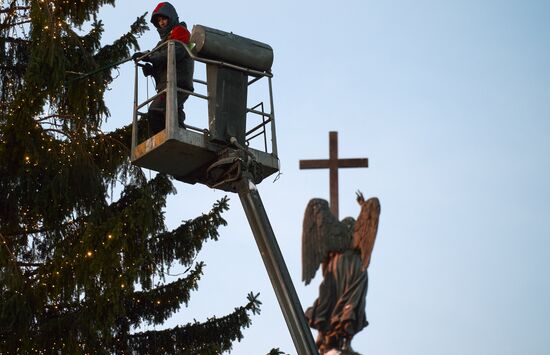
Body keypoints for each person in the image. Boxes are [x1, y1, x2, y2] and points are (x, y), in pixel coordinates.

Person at [133, 2, 194, 134]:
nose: (161, 23)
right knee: (174, 115)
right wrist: (151, 69)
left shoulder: (180, 31)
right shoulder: (163, 42)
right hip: (167, 85)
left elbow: (174, 53)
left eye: (164, 18)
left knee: (155, 111)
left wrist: (149, 57)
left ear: (171, 17)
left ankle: (165, 140)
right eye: (159, 21)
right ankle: (178, 140)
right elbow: (161, 58)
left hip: (177, 83)